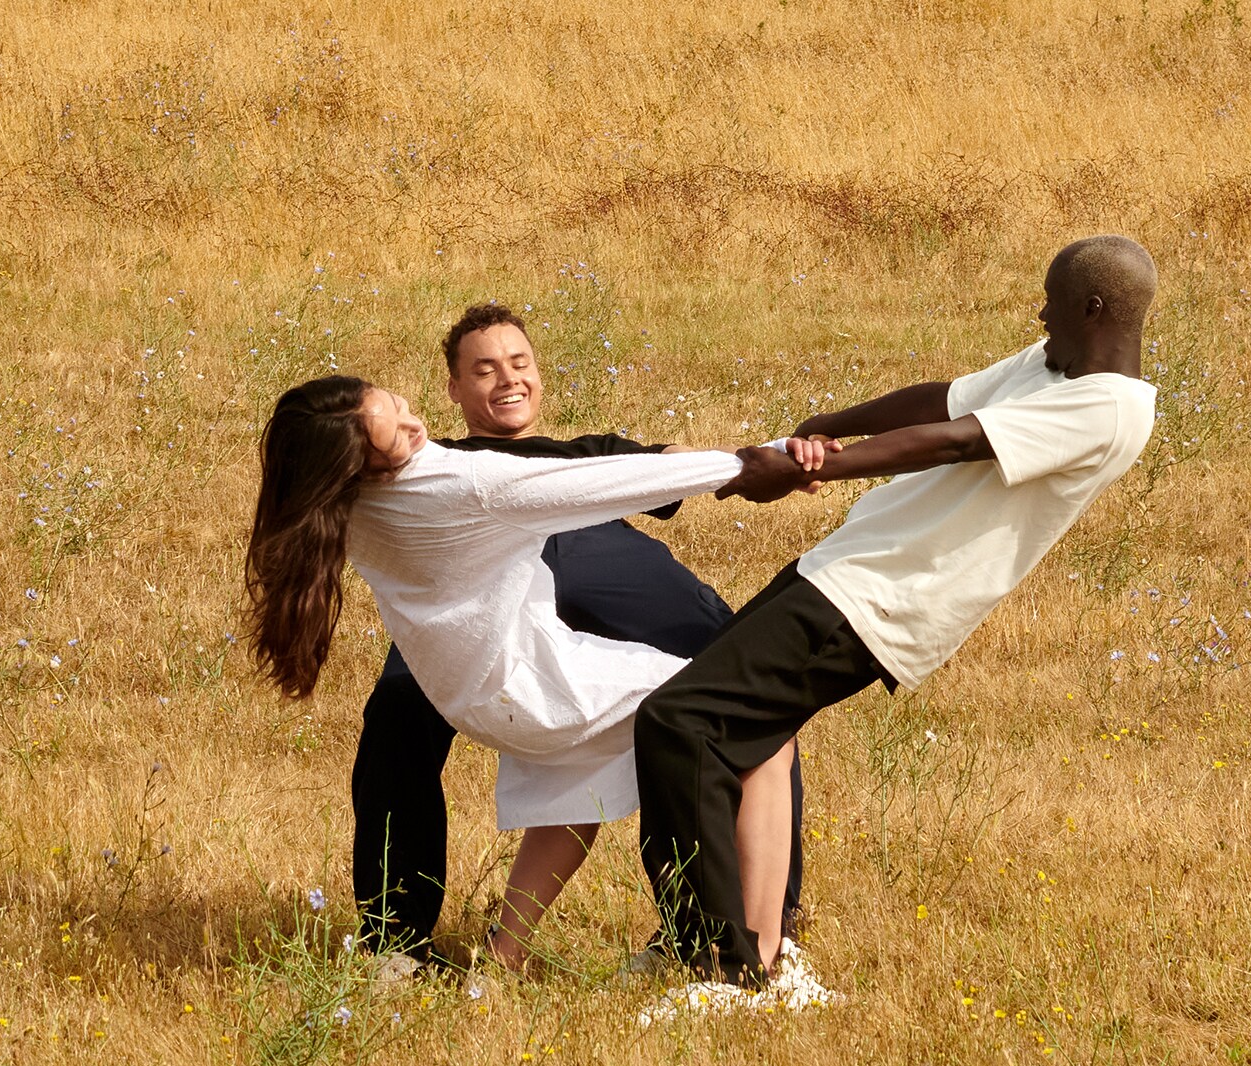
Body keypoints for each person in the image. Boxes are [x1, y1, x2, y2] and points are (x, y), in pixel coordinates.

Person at [635, 235, 1161, 985]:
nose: (1040, 314)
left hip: (884, 601)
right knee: (736, 730)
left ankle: (718, 965)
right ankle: (760, 949)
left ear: (1094, 307)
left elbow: (953, 442)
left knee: (681, 722)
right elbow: (942, 400)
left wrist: (804, 471)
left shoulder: (1107, 410)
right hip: (848, 567)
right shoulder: (1054, 365)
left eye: (1050, 301)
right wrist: (823, 428)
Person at [244, 374, 822, 980]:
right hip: (537, 686)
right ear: (355, 459)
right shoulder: (464, 487)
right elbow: (596, 482)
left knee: (577, 783)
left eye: (400, 405)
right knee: (759, 726)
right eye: (393, 432)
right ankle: (760, 959)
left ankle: (501, 960)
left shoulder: (348, 504)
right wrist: (753, 462)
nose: (415, 425)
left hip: (484, 697)